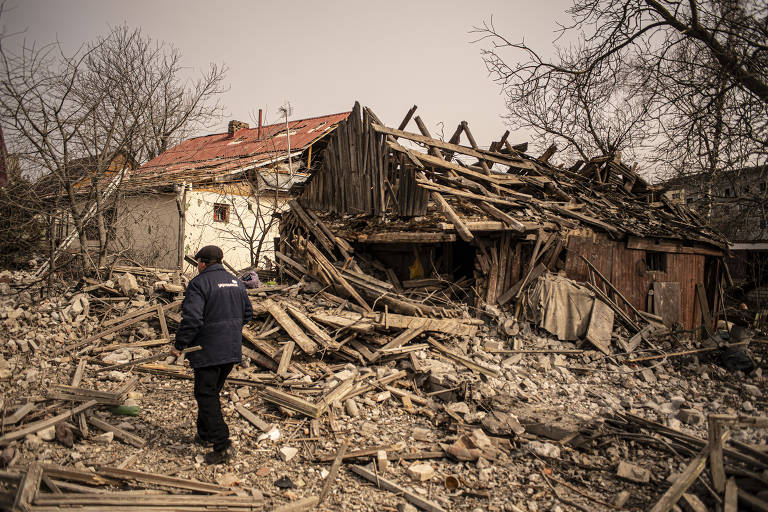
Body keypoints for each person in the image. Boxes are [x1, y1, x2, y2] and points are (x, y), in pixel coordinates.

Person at [172, 245, 253, 464]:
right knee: (210, 392)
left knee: (206, 395)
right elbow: (248, 314)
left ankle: (222, 445)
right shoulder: (236, 283)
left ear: (203, 263)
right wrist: (230, 330)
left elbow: (192, 319)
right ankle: (205, 434)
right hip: (231, 349)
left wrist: (179, 344)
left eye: (198, 262)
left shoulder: (199, 284)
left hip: (207, 350)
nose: (197, 265)